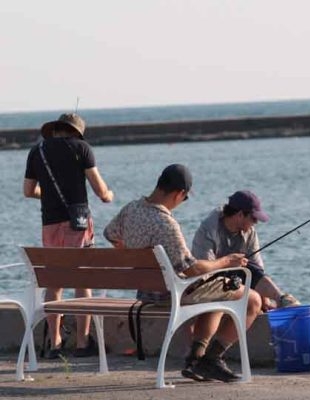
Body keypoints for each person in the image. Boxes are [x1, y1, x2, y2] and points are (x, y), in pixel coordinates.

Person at [103, 164, 262, 382]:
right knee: (252, 300)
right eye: (184, 198)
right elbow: (192, 268)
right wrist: (227, 261)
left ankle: (196, 359)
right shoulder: (166, 223)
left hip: (147, 293)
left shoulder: (131, 209)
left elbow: (109, 233)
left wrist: (133, 254)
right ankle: (212, 359)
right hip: (173, 294)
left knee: (217, 290)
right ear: (179, 193)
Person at [23, 113, 114, 359]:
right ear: (76, 132)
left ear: (55, 129)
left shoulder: (37, 151)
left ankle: (55, 343)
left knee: (55, 282)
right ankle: (83, 343)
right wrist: (109, 195)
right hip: (78, 223)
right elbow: (100, 190)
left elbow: (28, 191)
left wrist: (50, 194)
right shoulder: (81, 148)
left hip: (49, 224)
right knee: (81, 280)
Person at [192, 190, 300, 311]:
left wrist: (265, 300)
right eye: (253, 218)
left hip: (236, 282)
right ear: (240, 215)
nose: (256, 223)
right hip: (208, 283)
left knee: (250, 268)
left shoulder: (250, 231)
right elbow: (202, 270)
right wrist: (228, 262)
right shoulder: (208, 229)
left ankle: (281, 299)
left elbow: (257, 268)